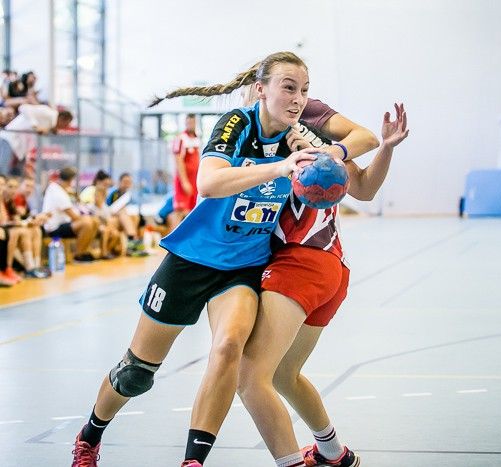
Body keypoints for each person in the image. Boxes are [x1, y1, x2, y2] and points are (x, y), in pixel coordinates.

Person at [70, 51, 338, 467]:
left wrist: (335, 156)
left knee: (229, 347)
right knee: (136, 373)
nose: (298, 99)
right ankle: (89, 437)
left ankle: (193, 461)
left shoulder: (299, 141)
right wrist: (280, 168)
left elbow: (361, 165)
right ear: (260, 89)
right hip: (192, 260)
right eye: (288, 87)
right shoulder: (236, 125)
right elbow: (209, 183)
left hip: (243, 268)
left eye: (304, 91)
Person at [236, 102, 407, 467]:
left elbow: (364, 187)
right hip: (331, 269)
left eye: (301, 89)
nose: (297, 97)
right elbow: (364, 188)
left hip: (300, 263)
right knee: (284, 375)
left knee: (249, 377)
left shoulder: (308, 137)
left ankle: (291, 462)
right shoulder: (254, 132)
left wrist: (385, 147)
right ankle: (333, 453)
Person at [41, 166, 99, 262]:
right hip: (54, 228)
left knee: (95, 221)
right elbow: (74, 216)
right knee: (87, 223)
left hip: (64, 223)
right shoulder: (57, 191)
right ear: (70, 180)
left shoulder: (61, 189)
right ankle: (78, 255)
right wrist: (86, 218)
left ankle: (85, 251)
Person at [171, 113, 200, 225]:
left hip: (194, 181)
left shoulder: (196, 138)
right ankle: (173, 236)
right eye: (189, 122)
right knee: (180, 211)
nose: (191, 125)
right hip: (183, 181)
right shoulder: (180, 138)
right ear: (185, 123)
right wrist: (184, 182)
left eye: (193, 122)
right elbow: (178, 160)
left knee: (192, 211)